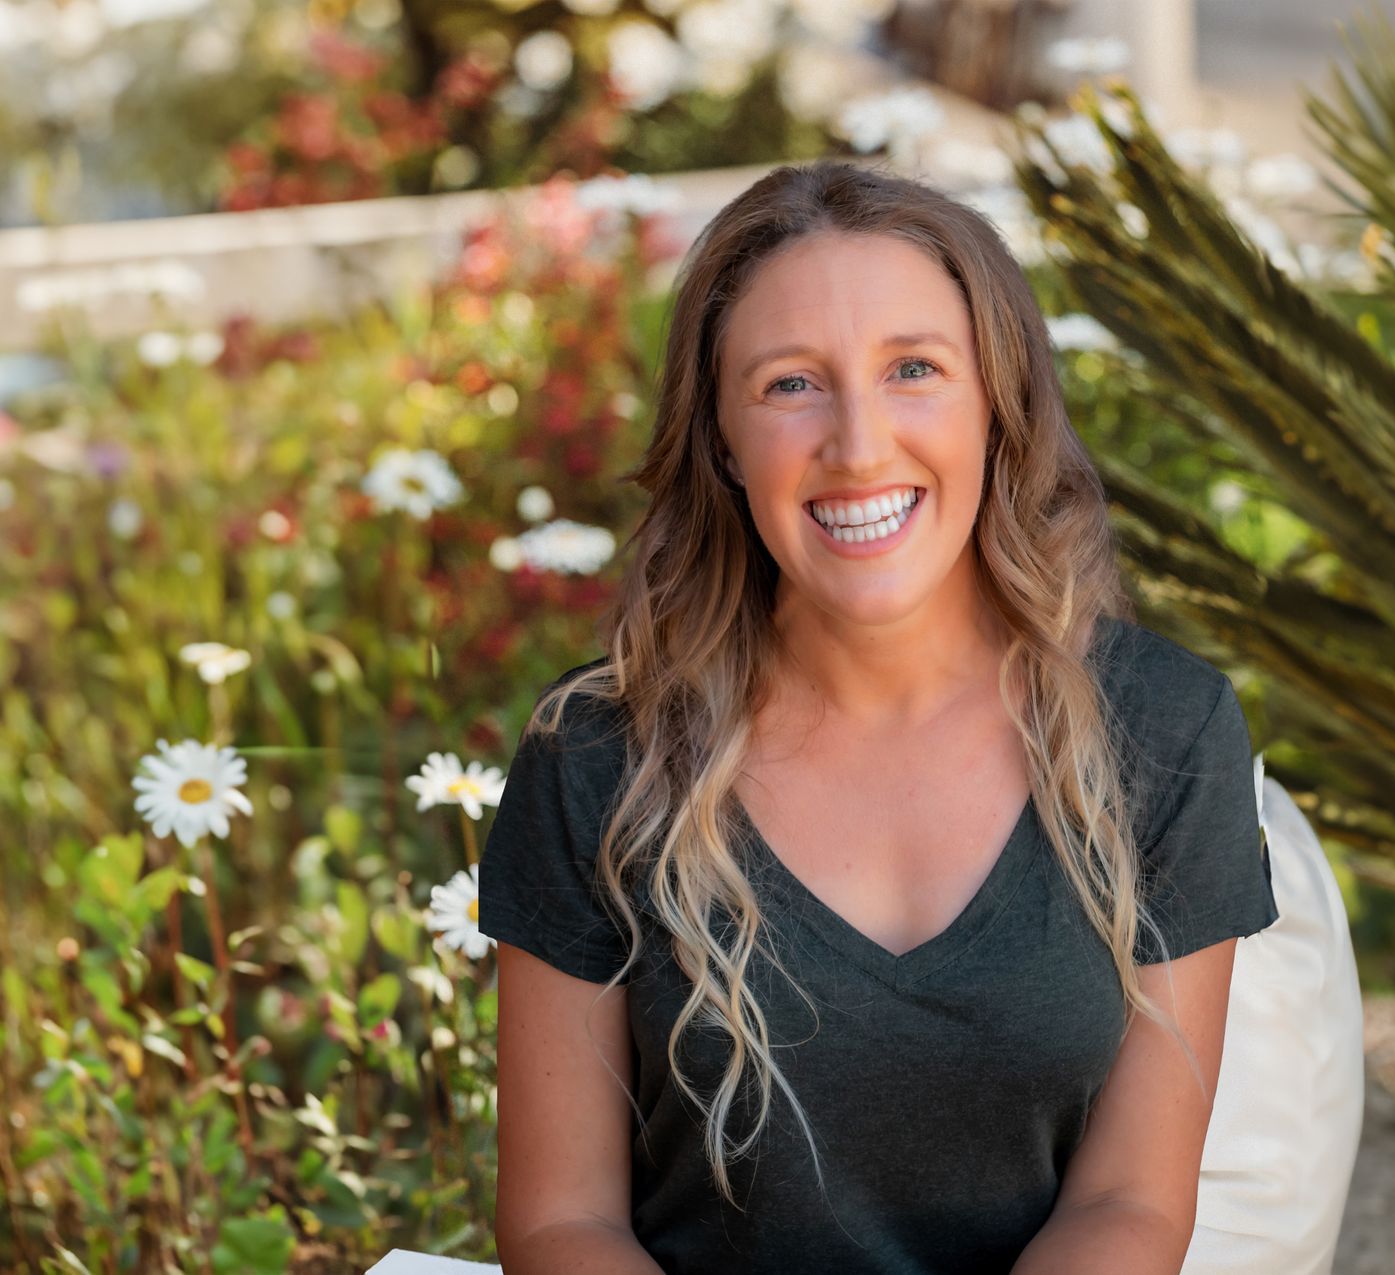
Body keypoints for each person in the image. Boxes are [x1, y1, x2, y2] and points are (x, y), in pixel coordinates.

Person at [479, 158, 1278, 1273]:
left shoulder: (1166, 730)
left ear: (997, 403)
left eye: (914, 368)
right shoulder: (596, 760)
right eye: (790, 385)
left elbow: (1132, 1204)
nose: (858, 446)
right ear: (719, 439)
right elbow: (561, 1223)